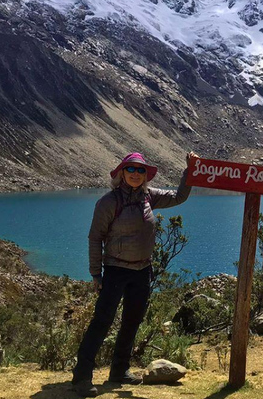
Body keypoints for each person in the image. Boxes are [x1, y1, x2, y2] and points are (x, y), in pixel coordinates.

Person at [72, 151, 197, 397]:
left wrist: (189, 170)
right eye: (131, 169)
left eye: (141, 171)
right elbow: (95, 238)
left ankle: (119, 371)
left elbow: (180, 196)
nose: (136, 174)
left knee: (132, 321)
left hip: (142, 270)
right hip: (116, 270)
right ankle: (81, 377)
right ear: (122, 173)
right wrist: (96, 274)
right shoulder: (109, 202)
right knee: (102, 322)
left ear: (145, 176)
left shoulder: (149, 196)